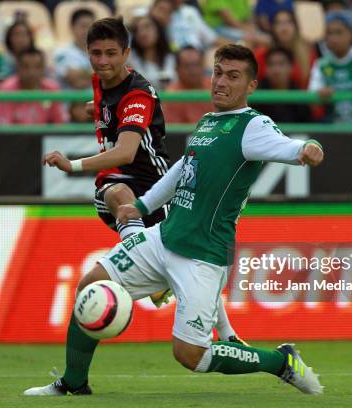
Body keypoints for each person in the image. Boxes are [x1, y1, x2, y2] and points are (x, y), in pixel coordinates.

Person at [26, 44, 324, 398]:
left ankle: (280, 361)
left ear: (251, 86)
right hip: (163, 238)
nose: (221, 82)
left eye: (233, 76)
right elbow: (184, 168)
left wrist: (308, 147)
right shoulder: (210, 121)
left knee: (190, 355)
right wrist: (141, 204)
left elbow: (286, 145)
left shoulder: (252, 125)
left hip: (202, 256)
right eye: (217, 72)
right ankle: (73, 383)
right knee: (92, 283)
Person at [0, 47, 67, 124]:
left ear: (44, 68)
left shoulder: (52, 89)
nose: (32, 72)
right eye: (26, 66)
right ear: (18, 67)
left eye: (38, 66)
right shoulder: (7, 89)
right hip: (15, 136)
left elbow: (60, 123)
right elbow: (4, 127)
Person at [53, 8, 96, 122]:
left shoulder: (101, 54)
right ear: (72, 27)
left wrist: (84, 74)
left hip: (99, 113)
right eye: (83, 26)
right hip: (70, 114)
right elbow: (76, 81)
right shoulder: (62, 52)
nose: (87, 30)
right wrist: (102, 75)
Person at [256, 10, 316, 89]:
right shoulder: (261, 54)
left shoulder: (309, 55)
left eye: (289, 22)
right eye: (278, 23)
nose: (284, 27)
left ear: (296, 27)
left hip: (300, 99)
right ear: (272, 27)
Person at [252, 47, 313, 123]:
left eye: (281, 64)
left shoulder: (299, 94)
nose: (276, 69)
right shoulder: (255, 93)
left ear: (291, 67)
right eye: (271, 64)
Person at [162, 46, 213, 123]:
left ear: (203, 66)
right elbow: (176, 133)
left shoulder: (216, 87)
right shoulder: (171, 96)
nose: (193, 70)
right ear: (177, 69)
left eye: (196, 64)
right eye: (187, 66)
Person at [128, 15, 176, 90]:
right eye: (137, 30)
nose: (142, 33)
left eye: (147, 27)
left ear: (158, 30)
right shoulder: (130, 60)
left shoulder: (171, 59)